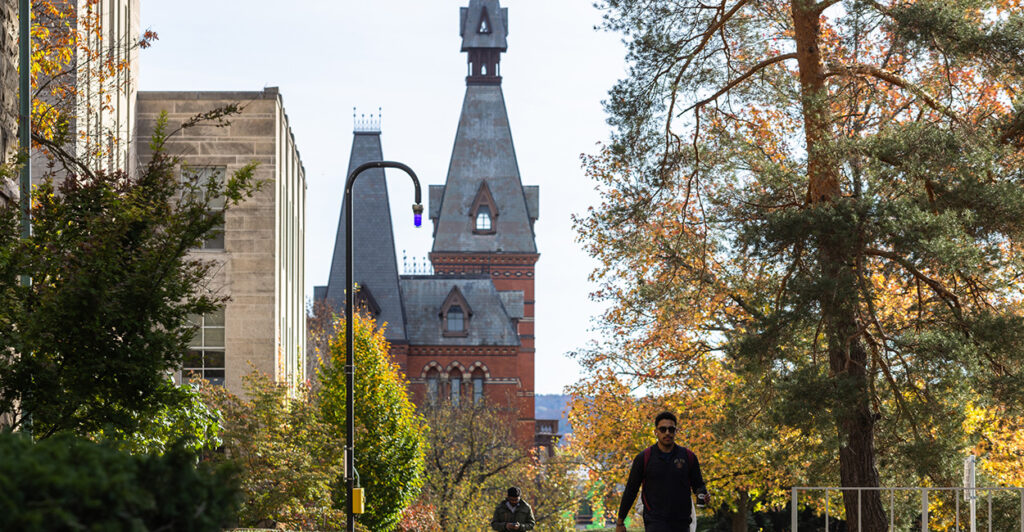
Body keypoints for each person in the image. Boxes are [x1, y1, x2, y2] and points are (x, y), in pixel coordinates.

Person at [616, 411, 709, 532]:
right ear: (656, 432)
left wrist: (704, 495)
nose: (667, 433)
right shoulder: (644, 458)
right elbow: (631, 490)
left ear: (676, 431)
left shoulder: (688, 457)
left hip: (681, 522)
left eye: (671, 429)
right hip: (655, 522)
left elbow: (698, 484)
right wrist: (620, 521)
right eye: (663, 429)